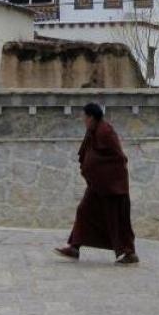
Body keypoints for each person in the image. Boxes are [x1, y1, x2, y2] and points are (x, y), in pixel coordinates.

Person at [54, 103, 139, 264]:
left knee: (117, 220)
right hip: (98, 185)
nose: (83, 120)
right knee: (84, 211)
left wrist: (100, 170)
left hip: (113, 186)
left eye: (84, 117)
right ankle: (74, 247)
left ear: (91, 117)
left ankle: (129, 253)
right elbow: (89, 153)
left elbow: (118, 158)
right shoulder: (93, 131)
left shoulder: (106, 132)